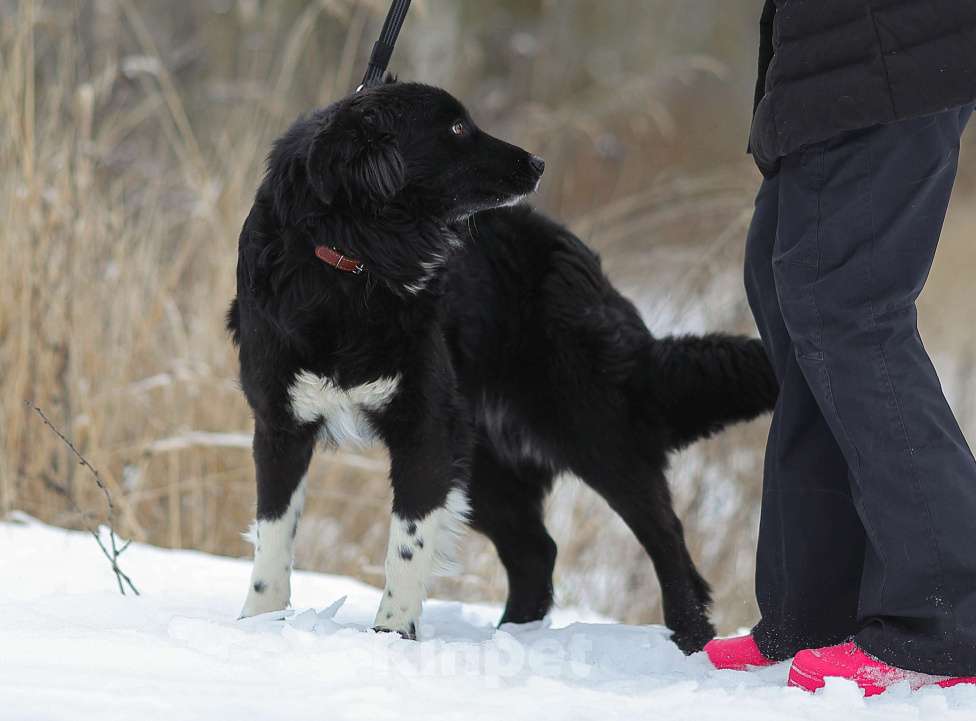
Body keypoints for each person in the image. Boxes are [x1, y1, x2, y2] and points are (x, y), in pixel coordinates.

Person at [704, 0, 976, 696]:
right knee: (790, 289)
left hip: (890, 38)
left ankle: (947, 616)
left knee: (846, 305)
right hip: (832, 54)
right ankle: (821, 605)